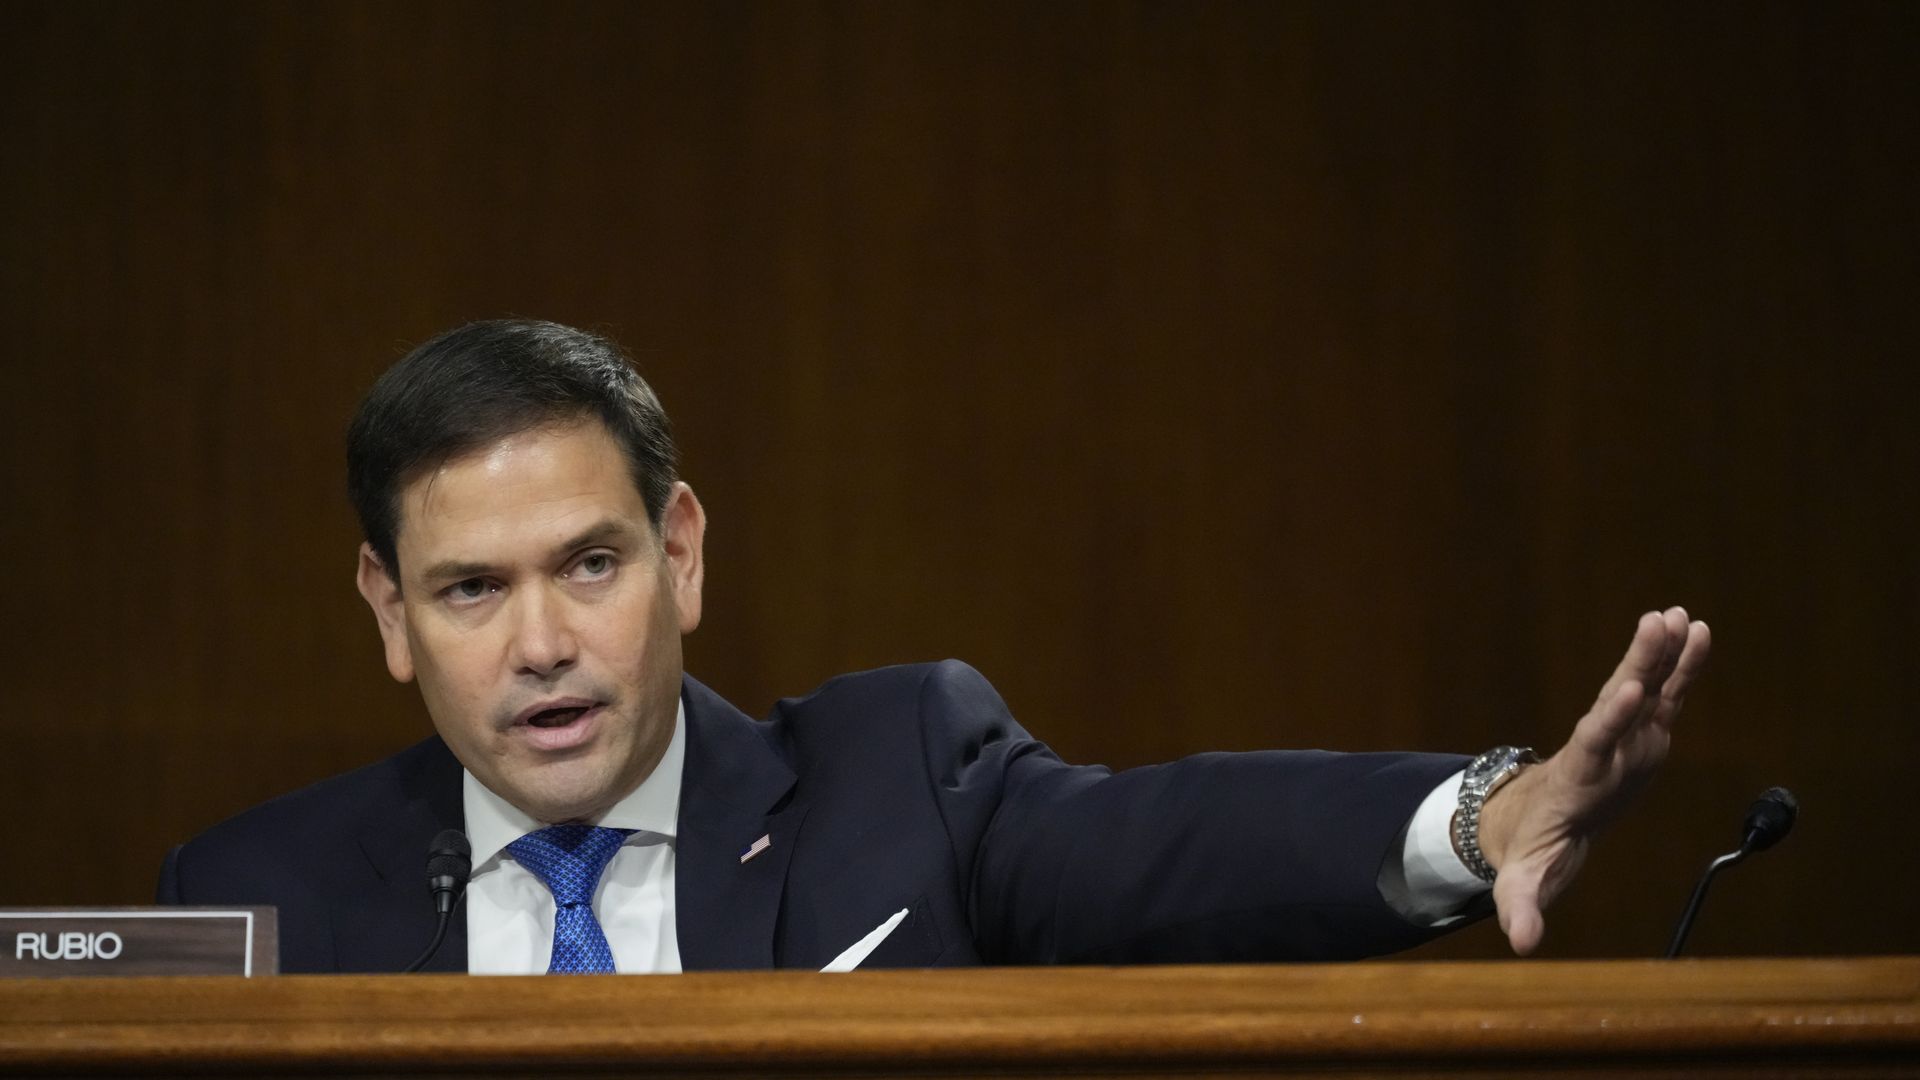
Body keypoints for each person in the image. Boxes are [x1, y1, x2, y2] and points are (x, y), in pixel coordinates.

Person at [158, 319, 1710, 974]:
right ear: (388, 610)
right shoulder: (259, 903)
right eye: (472, 591)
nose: (546, 645)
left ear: (681, 554)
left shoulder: (894, 786)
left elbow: (1170, 840)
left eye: (591, 563)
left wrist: (1485, 812)